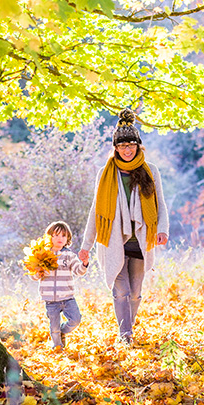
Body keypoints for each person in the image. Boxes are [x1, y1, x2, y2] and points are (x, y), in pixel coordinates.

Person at [79, 108, 169, 346]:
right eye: (122, 146)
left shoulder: (151, 171)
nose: (127, 150)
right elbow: (96, 211)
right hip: (113, 242)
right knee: (121, 292)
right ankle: (125, 336)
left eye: (131, 145)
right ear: (115, 148)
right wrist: (86, 245)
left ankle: (127, 327)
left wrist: (162, 230)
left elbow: (160, 203)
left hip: (140, 241)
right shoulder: (105, 174)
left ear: (138, 146)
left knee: (135, 293)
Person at [35, 221, 89, 350]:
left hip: (67, 297)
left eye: (63, 236)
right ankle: (57, 347)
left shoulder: (69, 255)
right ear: (50, 237)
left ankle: (63, 331)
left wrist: (84, 263)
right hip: (50, 299)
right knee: (54, 327)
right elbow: (33, 274)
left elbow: (78, 271)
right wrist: (38, 273)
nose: (60, 239)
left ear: (67, 239)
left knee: (75, 320)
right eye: (56, 235)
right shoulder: (43, 255)